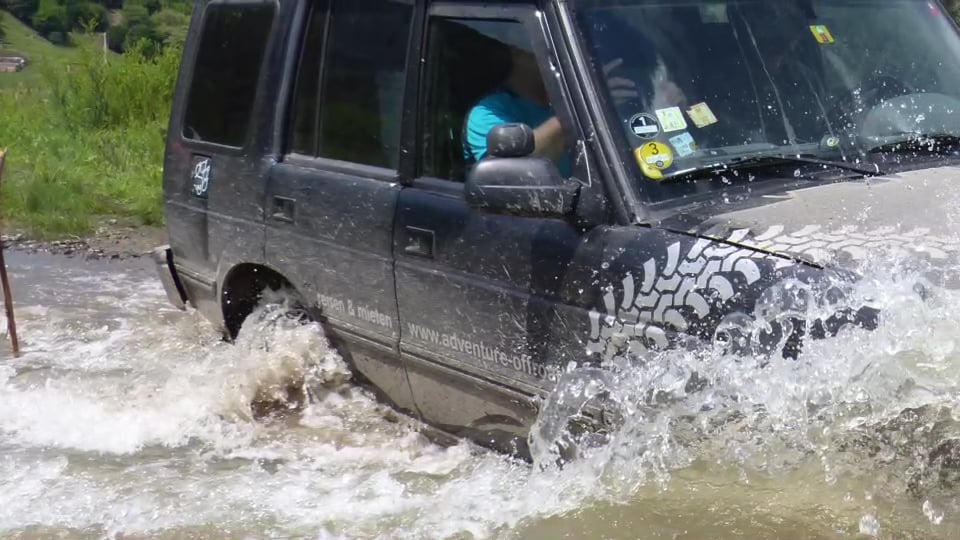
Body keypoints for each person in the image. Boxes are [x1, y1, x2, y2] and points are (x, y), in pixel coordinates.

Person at [463, 21, 639, 177]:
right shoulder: (487, 113)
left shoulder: (574, 97)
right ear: (515, 49)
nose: (559, 54)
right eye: (546, 44)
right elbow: (512, 178)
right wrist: (578, 110)